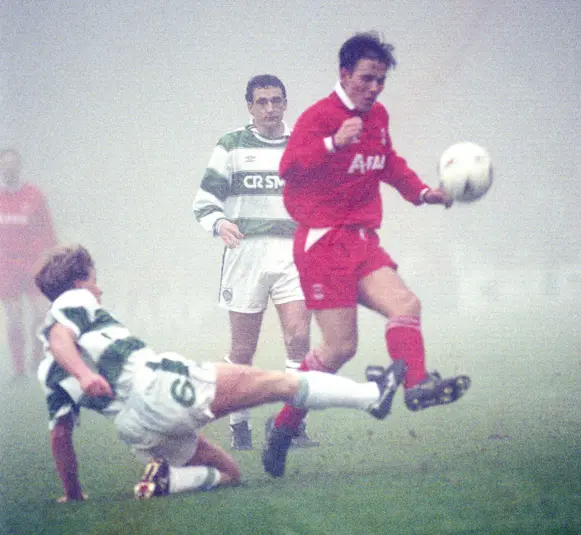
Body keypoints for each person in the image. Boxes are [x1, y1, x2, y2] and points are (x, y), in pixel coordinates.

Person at [34, 244, 405, 502]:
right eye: (95, 279)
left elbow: (60, 437)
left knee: (229, 472)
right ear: (79, 281)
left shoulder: (48, 374)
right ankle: (373, 397)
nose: (99, 288)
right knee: (280, 383)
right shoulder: (73, 299)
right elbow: (59, 337)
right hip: (158, 388)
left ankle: (169, 481)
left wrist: (72, 490)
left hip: (136, 431)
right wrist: (84, 374)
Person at [262, 32, 471, 478]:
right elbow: (289, 166)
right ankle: (281, 427)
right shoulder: (319, 117)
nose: (374, 88)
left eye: (380, 80)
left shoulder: (378, 117)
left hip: (361, 239)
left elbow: (388, 162)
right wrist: (333, 143)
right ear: (344, 74)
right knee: (339, 349)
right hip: (322, 242)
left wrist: (423, 193)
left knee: (406, 305)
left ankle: (416, 385)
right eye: (366, 78)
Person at [193, 75, 316, 450]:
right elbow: (204, 200)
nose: (269, 109)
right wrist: (219, 223)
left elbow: (321, 194)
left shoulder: (301, 144)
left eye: (276, 101)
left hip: (293, 253)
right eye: (261, 102)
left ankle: (289, 425)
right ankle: (239, 424)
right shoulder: (231, 145)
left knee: (298, 338)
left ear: (285, 104)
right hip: (246, 255)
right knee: (243, 349)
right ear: (249, 106)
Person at [0, 148, 56, 377]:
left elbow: (48, 231)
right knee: (14, 318)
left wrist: (50, 257)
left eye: (12, 164)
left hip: (33, 264)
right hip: (6, 266)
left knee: (42, 314)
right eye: (4, 165)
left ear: (19, 166)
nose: (8, 169)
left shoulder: (34, 195)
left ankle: (36, 357)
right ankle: (19, 370)